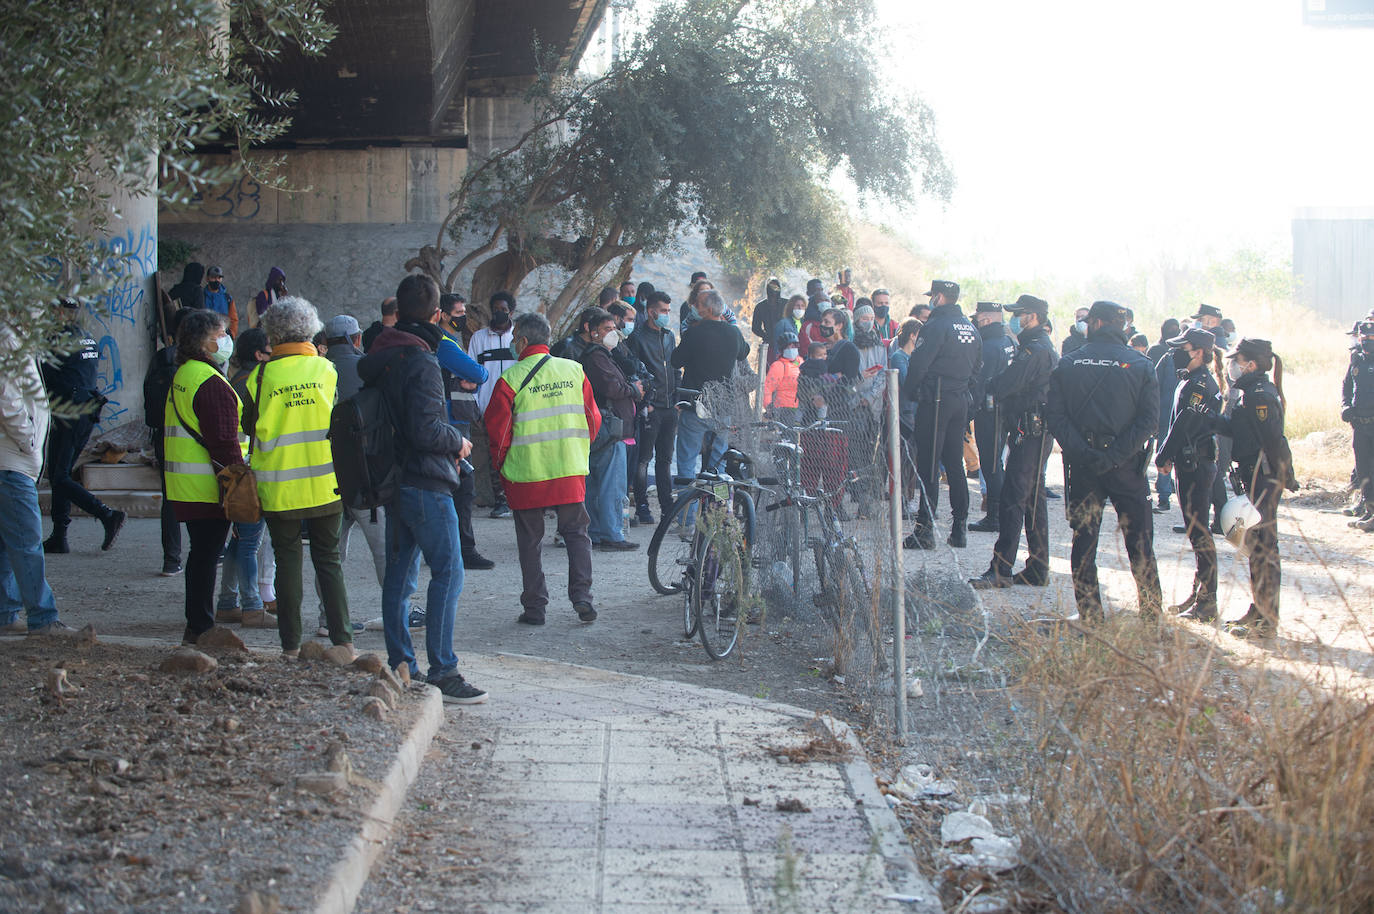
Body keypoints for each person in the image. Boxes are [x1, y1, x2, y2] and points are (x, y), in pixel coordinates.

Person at [356, 276, 485, 701]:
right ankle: (444, 672)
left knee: (400, 576)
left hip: (393, 481)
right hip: (427, 481)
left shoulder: (381, 353)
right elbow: (426, 428)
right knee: (448, 572)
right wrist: (459, 441)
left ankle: (401, 664)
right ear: (436, 315)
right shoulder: (423, 359)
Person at [243, 296, 354, 659]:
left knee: (286, 559)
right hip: (326, 482)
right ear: (310, 330)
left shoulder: (259, 377)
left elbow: (249, 430)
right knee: (329, 560)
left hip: (278, 486)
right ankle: (343, 642)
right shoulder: (326, 370)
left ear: (272, 334)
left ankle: (290, 646)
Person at [1046, 300, 1162, 623]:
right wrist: (1114, 456)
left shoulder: (1069, 363)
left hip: (1084, 467)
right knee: (1139, 542)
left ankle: (1091, 614)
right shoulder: (1140, 365)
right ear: (1122, 327)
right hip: (1127, 466)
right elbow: (1149, 421)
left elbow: (1055, 416)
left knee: (1084, 540)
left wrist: (1085, 453)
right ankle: (1152, 616)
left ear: (1094, 323)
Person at [485, 311, 601, 626]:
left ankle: (535, 609)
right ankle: (582, 597)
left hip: (526, 475)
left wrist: (501, 469)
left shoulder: (509, 380)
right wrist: (576, 448)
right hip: (569, 470)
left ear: (523, 341)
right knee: (577, 534)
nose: (511, 343)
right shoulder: (574, 371)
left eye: (513, 338)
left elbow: (498, 433)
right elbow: (593, 421)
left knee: (530, 542)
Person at [1199, 338, 1298, 638]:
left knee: (1264, 548)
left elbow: (1273, 441)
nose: (1232, 365)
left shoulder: (1260, 395)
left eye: (1237, 360)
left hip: (1263, 477)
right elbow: (1241, 431)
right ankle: (1259, 610)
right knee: (1256, 547)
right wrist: (1212, 419)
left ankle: (1266, 620)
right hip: (1254, 476)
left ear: (1251, 364)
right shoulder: (1249, 393)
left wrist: (1285, 476)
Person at [162, 310, 245, 643]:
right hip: (210, 487)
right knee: (207, 555)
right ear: (206, 342)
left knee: (201, 555)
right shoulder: (210, 382)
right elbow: (224, 442)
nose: (226, 339)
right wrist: (238, 488)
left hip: (187, 485)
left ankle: (196, 623)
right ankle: (201, 627)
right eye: (221, 333)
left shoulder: (185, 373)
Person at [970, 295, 1058, 588]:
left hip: (1030, 431)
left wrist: (992, 386)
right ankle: (1037, 567)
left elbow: (1007, 383)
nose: (1015, 320)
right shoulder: (1036, 346)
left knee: (1013, 498)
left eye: (1018, 315)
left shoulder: (1035, 349)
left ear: (1032, 317)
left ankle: (1001, 568)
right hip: (1033, 430)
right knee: (1032, 499)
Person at [0, 322, 77, 637]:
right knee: (27, 543)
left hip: (15, 460)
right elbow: (7, 398)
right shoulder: (6, 337)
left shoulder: (15, 336)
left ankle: (6, 612)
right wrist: (29, 439)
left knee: (9, 545)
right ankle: (43, 618)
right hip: (12, 461)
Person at [41, 302, 126, 554]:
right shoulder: (87, 337)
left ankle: (107, 515)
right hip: (81, 409)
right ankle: (59, 535)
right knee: (60, 473)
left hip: (70, 411)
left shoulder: (59, 341)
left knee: (60, 476)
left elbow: (43, 375)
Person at [902, 280, 981, 550]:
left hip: (935, 399)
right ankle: (959, 528)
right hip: (959, 399)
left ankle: (924, 531)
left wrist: (911, 393)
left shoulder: (936, 326)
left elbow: (918, 364)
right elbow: (977, 367)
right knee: (955, 464)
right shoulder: (970, 327)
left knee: (928, 466)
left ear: (938, 296)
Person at [1154, 327, 1223, 621]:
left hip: (1195, 465)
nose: (1176, 352)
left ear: (1197, 351)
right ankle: (1199, 595)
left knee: (1200, 534)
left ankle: (1207, 603)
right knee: (1197, 533)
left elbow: (1183, 424)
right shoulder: (1194, 380)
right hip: (1191, 463)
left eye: (1183, 346)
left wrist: (1163, 454)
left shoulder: (1198, 384)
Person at [436, 293, 494, 568]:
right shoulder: (445, 344)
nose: (462, 317)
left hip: (452, 421)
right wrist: (472, 379)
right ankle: (464, 550)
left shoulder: (449, 342)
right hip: (452, 424)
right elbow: (480, 374)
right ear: (443, 315)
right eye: (458, 313)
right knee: (462, 487)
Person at [672, 290, 750, 480]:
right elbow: (743, 353)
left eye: (697, 305)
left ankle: (687, 508)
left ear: (707, 309)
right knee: (718, 464)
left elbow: (675, 361)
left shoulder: (694, 333)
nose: (693, 308)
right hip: (723, 407)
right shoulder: (733, 332)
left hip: (695, 404)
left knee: (687, 462)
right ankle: (718, 505)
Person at [580, 308, 641, 550]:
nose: (613, 333)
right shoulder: (596, 357)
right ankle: (611, 533)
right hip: (608, 427)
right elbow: (612, 388)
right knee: (610, 482)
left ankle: (598, 531)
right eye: (607, 329)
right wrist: (635, 390)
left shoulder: (606, 356)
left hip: (608, 427)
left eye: (613, 329)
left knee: (600, 482)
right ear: (593, 332)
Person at [627, 290, 678, 526]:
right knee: (643, 459)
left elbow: (675, 369)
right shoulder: (637, 339)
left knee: (665, 460)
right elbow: (633, 372)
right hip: (651, 408)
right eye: (664, 311)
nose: (667, 315)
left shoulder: (669, 336)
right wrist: (645, 403)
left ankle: (668, 507)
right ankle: (642, 506)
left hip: (670, 407)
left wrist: (676, 400)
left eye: (669, 311)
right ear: (651, 312)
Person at [143, 309, 186, 576]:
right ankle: (212, 553)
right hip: (193, 440)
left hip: (164, 437)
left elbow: (148, 405)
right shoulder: (197, 363)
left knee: (169, 500)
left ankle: (172, 559)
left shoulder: (159, 359)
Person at [968, 303, 1018, 533]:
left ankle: (995, 516)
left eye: (978, 318)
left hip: (990, 412)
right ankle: (998, 514)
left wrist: (968, 413)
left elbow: (980, 384)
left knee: (991, 465)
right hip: (1004, 409)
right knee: (996, 463)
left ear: (986, 319)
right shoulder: (1007, 341)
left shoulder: (988, 346)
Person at [468, 290, 517, 517]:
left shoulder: (517, 337)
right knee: (493, 455)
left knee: (515, 452)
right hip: (488, 406)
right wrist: (476, 405)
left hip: (515, 406)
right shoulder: (479, 338)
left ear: (511, 312)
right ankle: (500, 499)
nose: (499, 313)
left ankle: (515, 497)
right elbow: (472, 373)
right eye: (496, 309)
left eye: (503, 310)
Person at [1148, 318, 1182, 514]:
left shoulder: (1166, 357)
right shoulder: (1174, 357)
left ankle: (1164, 495)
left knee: (1163, 451)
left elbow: (1153, 385)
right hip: (1170, 414)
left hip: (1165, 414)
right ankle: (1165, 493)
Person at [1342, 319, 1374, 528]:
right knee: (1363, 469)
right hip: (1359, 424)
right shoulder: (1357, 358)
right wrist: (1345, 406)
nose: (1368, 341)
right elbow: (1346, 385)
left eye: (1372, 338)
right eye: (1364, 338)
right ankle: (1369, 508)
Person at [889, 319, 921, 510]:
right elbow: (906, 381)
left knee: (913, 460)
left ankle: (909, 498)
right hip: (904, 415)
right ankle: (901, 499)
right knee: (903, 458)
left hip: (915, 414)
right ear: (912, 335)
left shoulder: (914, 357)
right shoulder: (899, 357)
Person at [764, 329, 802, 425]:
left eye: (794, 346)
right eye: (788, 347)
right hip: (784, 409)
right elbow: (767, 388)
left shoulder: (800, 362)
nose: (792, 349)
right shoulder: (778, 366)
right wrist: (769, 408)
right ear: (782, 349)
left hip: (801, 407)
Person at [753, 278, 785, 364]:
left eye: (776, 287)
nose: (774, 290)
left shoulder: (786, 304)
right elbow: (755, 328)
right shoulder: (760, 307)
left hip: (786, 344)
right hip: (769, 346)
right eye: (771, 287)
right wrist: (767, 336)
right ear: (767, 289)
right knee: (769, 370)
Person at [203, 265, 237, 337]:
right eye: (213, 277)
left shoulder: (227, 298)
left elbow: (233, 319)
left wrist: (231, 334)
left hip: (223, 337)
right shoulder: (201, 296)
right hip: (206, 336)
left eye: (219, 278)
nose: (217, 280)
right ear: (207, 278)